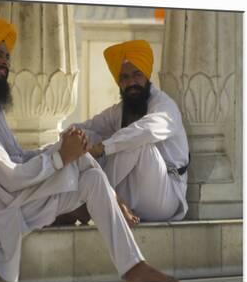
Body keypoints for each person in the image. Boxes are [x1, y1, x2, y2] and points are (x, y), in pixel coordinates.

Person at [0, 18, 178, 282]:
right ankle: (106, 217)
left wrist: (63, 149)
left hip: (15, 194)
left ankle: (133, 265)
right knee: (84, 166)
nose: (5, 62)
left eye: (7, 56)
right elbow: (10, 177)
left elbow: (17, 156)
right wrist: (59, 156)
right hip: (4, 203)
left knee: (89, 173)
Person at [72, 39, 189, 225]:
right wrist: (71, 140)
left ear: (147, 76)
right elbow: (86, 126)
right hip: (129, 193)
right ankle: (90, 198)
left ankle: (91, 201)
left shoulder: (165, 106)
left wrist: (103, 147)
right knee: (85, 136)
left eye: (137, 74)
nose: (131, 82)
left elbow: (145, 130)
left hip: (164, 197)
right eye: (124, 77)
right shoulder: (119, 111)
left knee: (135, 141)